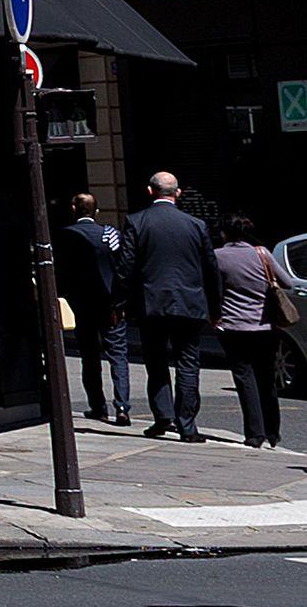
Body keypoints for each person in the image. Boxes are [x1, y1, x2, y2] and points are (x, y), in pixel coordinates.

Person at [121, 170, 222, 442]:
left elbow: (126, 267)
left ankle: (163, 417)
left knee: (155, 362)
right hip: (189, 304)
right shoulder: (196, 225)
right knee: (188, 363)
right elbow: (211, 269)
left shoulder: (136, 222)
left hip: (151, 303)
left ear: (150, 191)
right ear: (177, 193)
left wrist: (120, 302)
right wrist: (216, 308)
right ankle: (187, 425)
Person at [55, 192, 130, 425]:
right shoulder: (110, 234)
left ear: (73, 209)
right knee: (118, 355)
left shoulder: (65, 236)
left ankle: (97, 406)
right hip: (111, 305)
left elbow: (61, 272)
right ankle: (122, 406)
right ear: (96, 211)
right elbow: (122, 268)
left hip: (82, 304)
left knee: (89, 356)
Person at [210, 213, 283, 451]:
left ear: (223, 233)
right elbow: (287, 283)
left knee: (245, 379)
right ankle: (273, 432)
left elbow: (211, 290)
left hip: (233, 326)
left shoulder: (218, 257)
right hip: (264, 326)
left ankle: (255, 434)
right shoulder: (262, 253)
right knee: (267, 378)